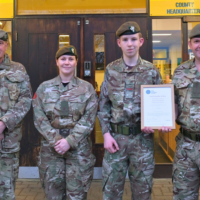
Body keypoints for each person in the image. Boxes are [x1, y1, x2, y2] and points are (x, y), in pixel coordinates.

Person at [97, 21, 164, 200]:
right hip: (115, 140)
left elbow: (161, 104)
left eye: (133, 39)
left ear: (141, 41)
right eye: (125, 39)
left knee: (142, 193)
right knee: (111, 192)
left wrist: (156, 123)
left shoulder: (151, 71)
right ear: (119, 43)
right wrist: (105, 134)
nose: (130, 43)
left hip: (143, 141)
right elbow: (103, 105)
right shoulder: (111, 70)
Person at [32, 45, 98, 200]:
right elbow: (39, 117)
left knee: (77, 196)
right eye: (63, 59)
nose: (66, 62)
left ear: (76, 62)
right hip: (51, 150)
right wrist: (56, 140)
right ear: (57, 62)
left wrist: (69, 141)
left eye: (70, 59)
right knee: (53, 195)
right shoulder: (43, 88)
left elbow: (89, 119)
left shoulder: (87, 89)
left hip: (79, 151)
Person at [0, 29, 32, 199]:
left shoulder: (18, 70)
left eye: (0, 43)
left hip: (9, 141)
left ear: (6, 45)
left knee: (7, 188)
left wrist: (3, 123)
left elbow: (26, 100)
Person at [172, 24, 200, 200]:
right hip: (186, 147)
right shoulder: (180, 72)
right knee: (183, 196)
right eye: (197, 41)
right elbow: (172, 103)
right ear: (190, 44)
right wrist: (164, 119)